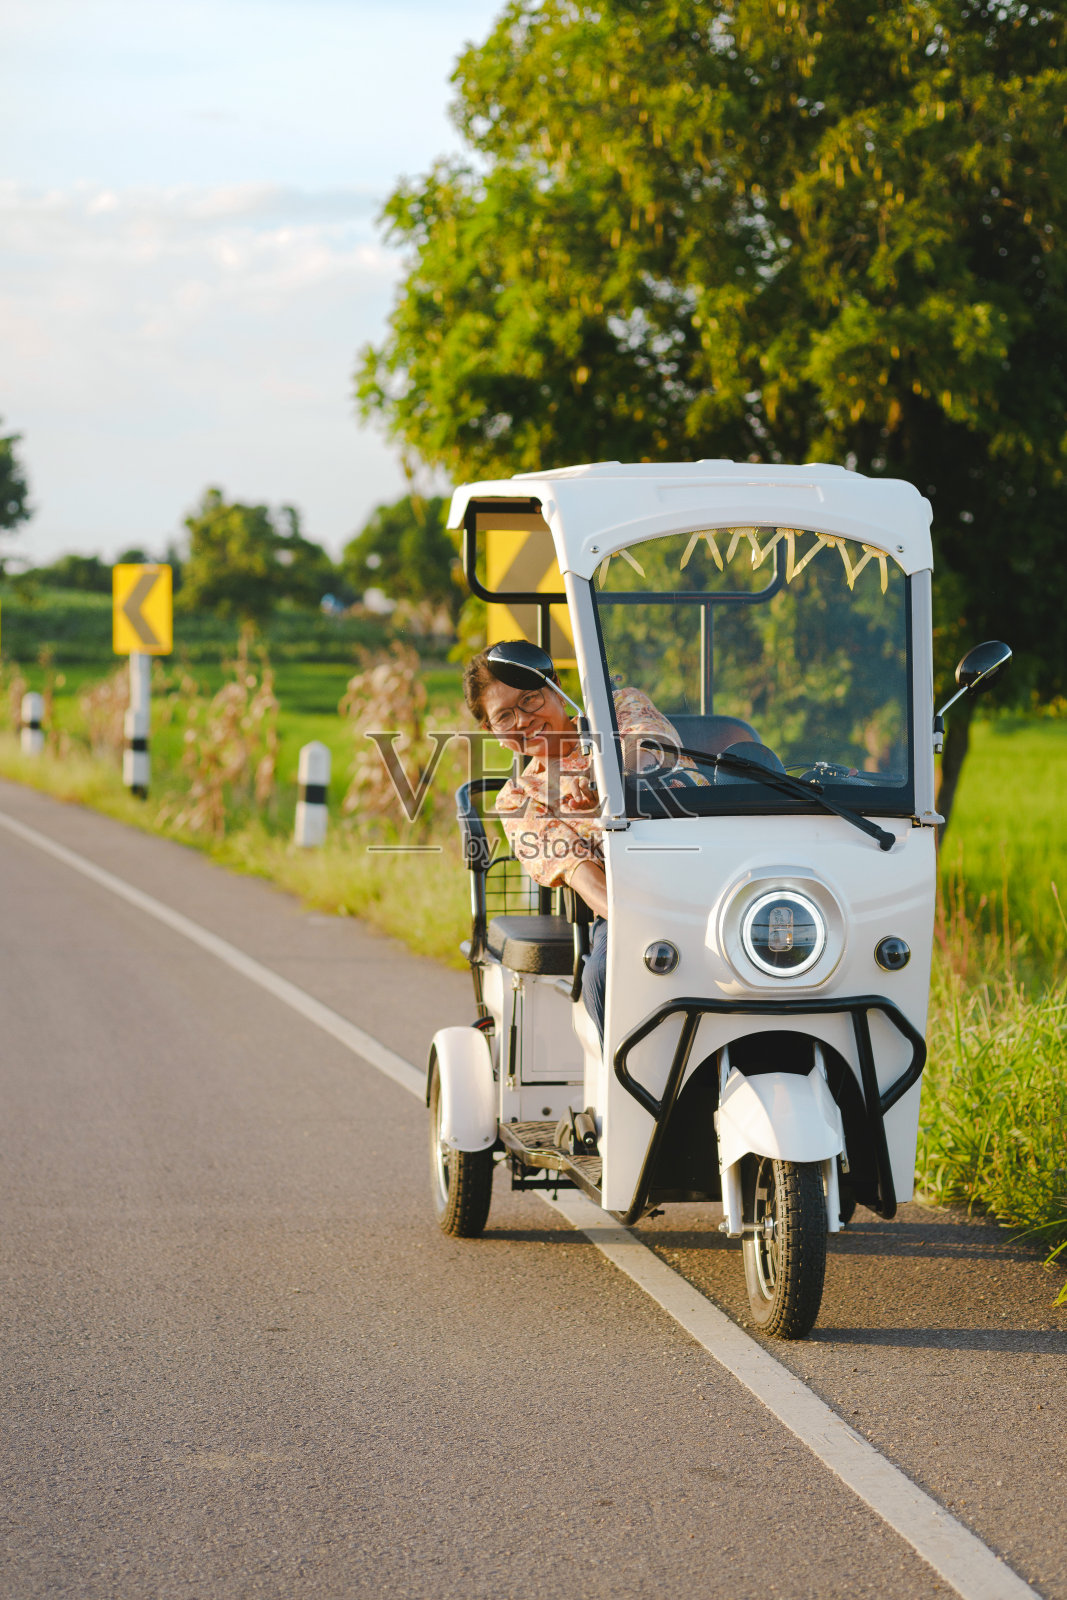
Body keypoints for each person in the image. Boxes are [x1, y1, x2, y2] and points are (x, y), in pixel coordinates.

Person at [462, 642, 708, 1046]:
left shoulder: (617, 708)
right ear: (493, 732)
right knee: (605, 970)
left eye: (530, 699)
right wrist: (645, 923)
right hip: (632, 901)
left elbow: (648, 749)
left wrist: (609, 783)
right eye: (505, 715)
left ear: (556, 688)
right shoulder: (520, 797)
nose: (524, 720)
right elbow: (585, 879)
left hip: (715, 865)